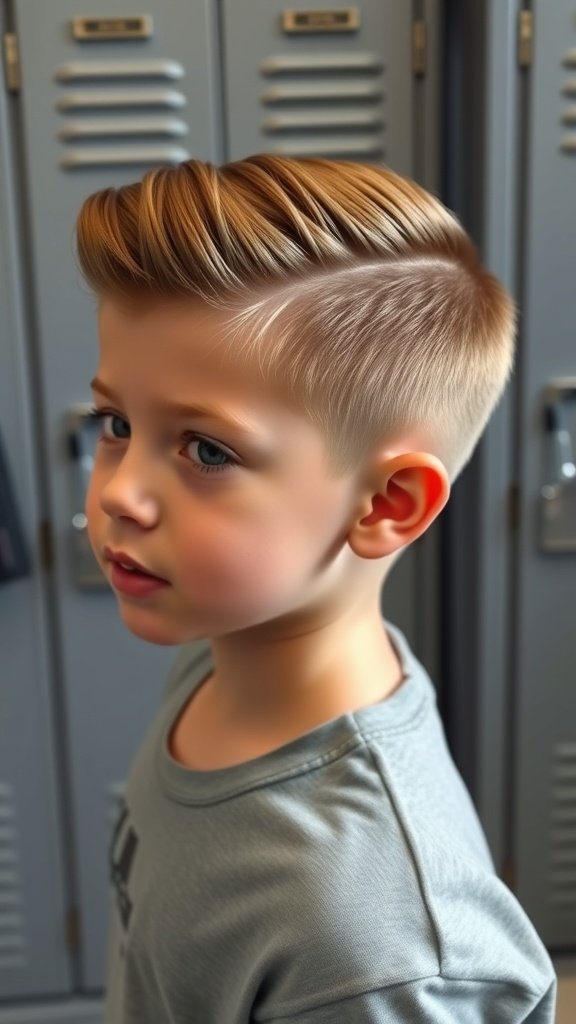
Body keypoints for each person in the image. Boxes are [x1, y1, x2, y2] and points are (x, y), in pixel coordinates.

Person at [76, 156, 557, 1023]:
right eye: (116, 425)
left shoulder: (385, 955)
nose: (117, 493)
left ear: (386, 504)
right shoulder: (220, 662)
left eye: (206, 451)